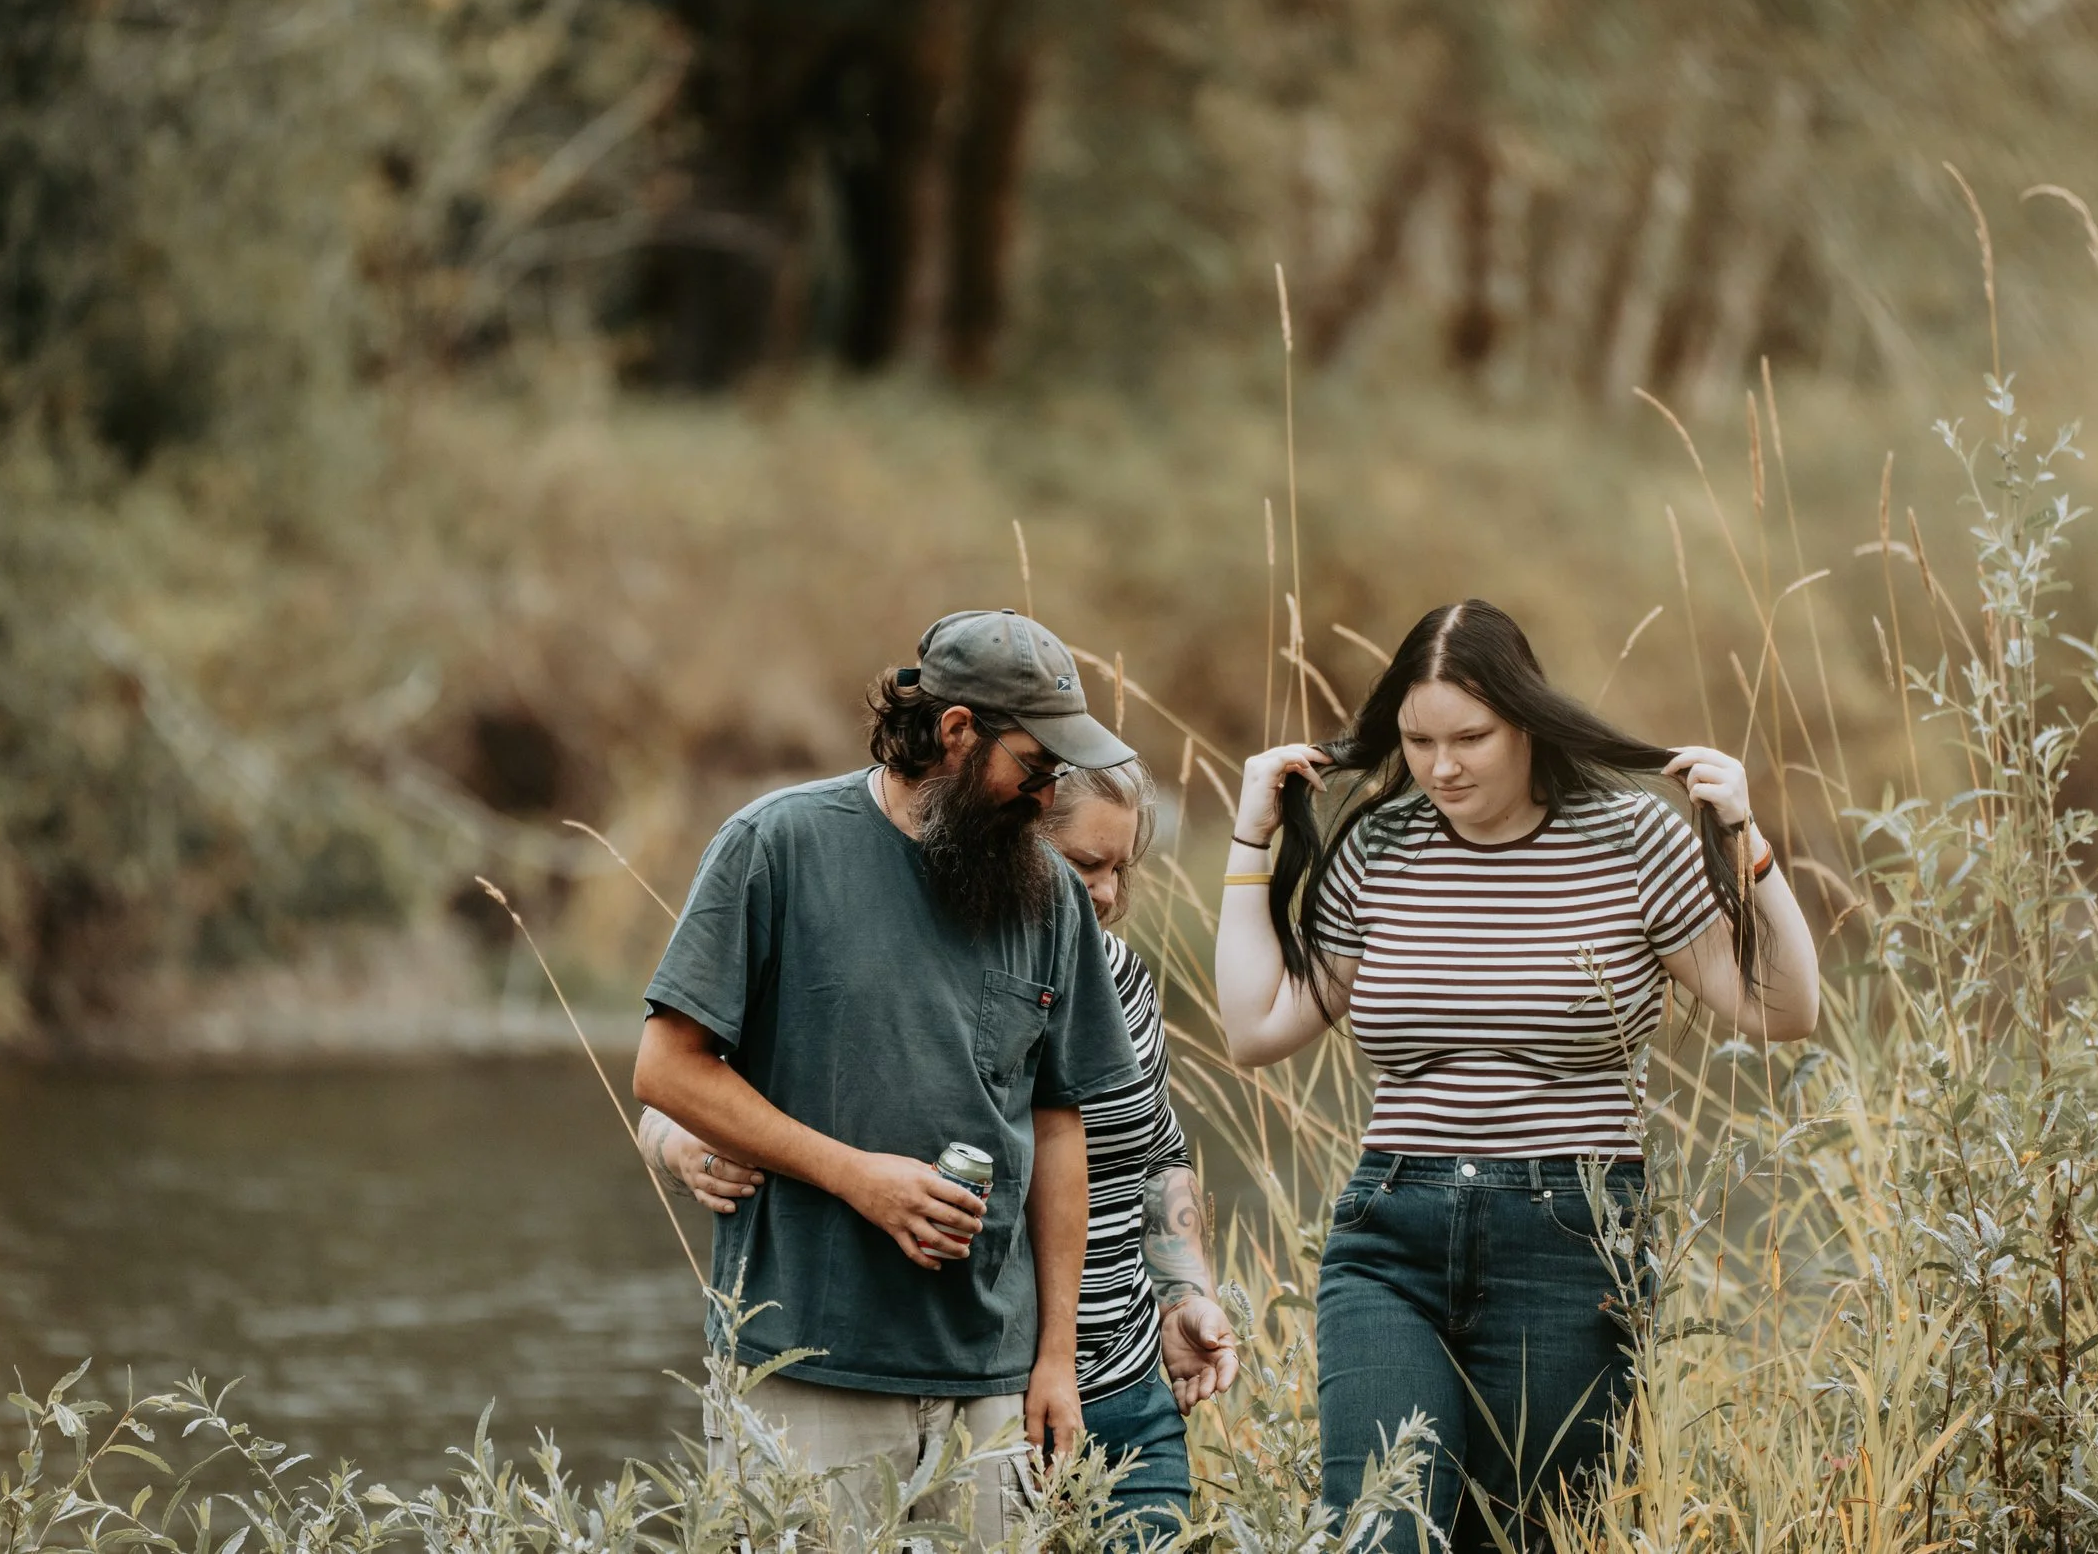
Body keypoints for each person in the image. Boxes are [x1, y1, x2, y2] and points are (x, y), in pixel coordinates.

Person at [1211, 599, 1821, 1551]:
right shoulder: (1379, 846)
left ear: (1527, 722)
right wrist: (1252, 838)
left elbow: (1785, 1010)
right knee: (1381, 1532)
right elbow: (1256, 1028)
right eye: (1416, 740)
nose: (1441, 766)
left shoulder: (1632, 842)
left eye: (1470, 737)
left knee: (1532, 1536)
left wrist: (1745, 834)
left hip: (1570, 1240)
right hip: (1390, 1234)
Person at [630, 609, 1146, 1548]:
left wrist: (1056, 1361)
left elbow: (1059, 1124)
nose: (1047, 796)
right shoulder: (775, 845)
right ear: (955, 733)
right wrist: (856, 1176)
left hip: (991, 1382)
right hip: (803, 1366)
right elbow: (667, 1071)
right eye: (1034, 766)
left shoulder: (1052, 895)